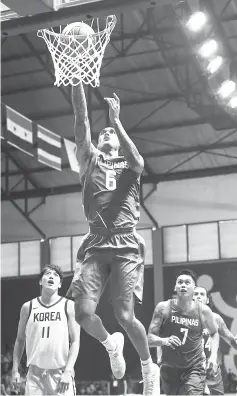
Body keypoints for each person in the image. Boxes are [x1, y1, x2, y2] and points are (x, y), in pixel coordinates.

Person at [66, 83, 159, 395]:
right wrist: (77, 78)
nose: (105, 135)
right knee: (82, 315)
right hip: (95, 241)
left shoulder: (128, 164)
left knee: (124, 316)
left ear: (118, 142)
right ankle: (110, 345)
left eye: (110, 134)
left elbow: (140, 162)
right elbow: (81, 120)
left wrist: (116, 121)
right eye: (103, 132)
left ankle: (148, 366)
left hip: (125, 244)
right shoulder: (89, 160)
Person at [148, 269, 219, 395]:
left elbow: (214, 333)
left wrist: (213, 357)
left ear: (194, 288)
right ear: (175, 287)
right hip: (169, 368)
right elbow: (149, 339)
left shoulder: (203, 311)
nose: (183, 285)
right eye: (180, 282)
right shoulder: (163, 308)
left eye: (187, 282)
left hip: (194, 367)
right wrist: (164, 340)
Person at [12, 264, 80, 395]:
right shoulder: (28, 307)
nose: (51, 276)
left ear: (60, 284)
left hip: (61, 375)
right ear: (40, 281)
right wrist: (15, 370)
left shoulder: (69, 306)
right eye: (48, 273)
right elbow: (20, 340)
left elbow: (75, 342)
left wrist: (68, 371)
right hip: (34, 376)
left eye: (56, 275)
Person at [193, 286, 237, 395]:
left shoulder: (216, 318)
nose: (198, 296)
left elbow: (231, 341)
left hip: (213, 371)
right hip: (193, 372)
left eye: (202, 294)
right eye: (195, 294)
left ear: (207, 300)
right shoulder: (184, 319)